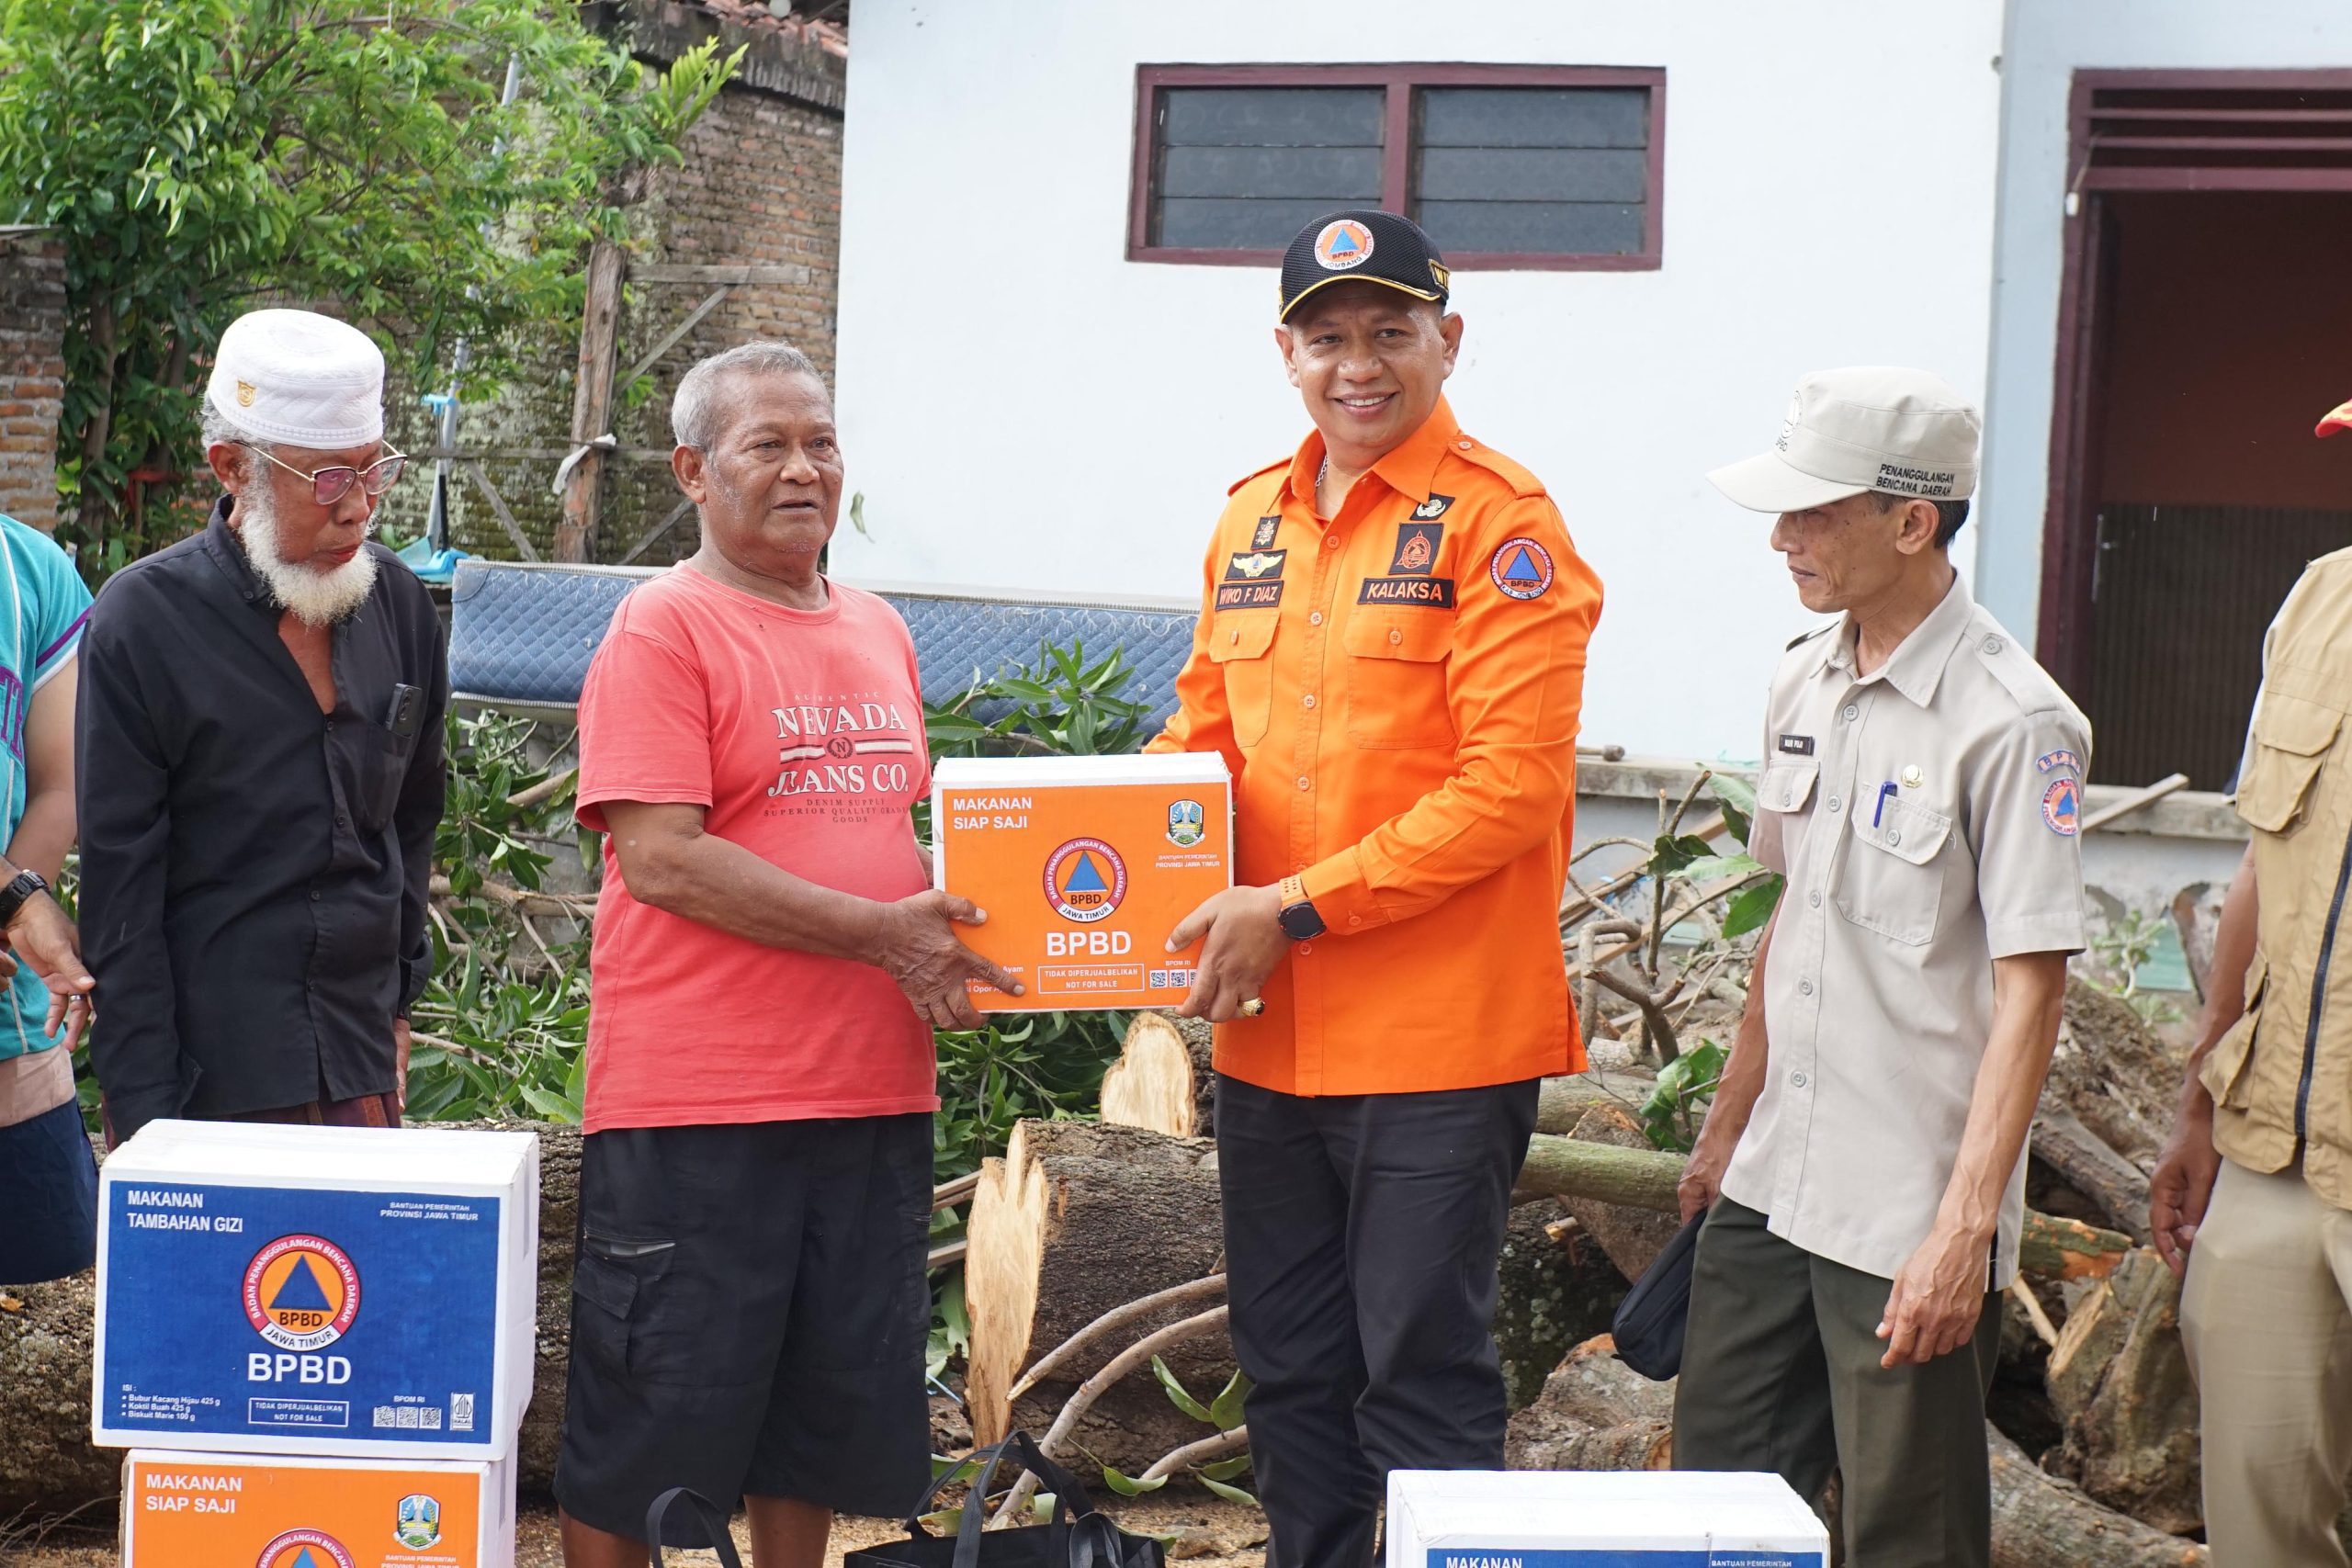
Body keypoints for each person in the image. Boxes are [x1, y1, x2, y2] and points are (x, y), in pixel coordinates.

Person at [1148, 209, 1603, 1568]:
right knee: (1287, 1367)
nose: (1359, 363)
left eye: (1390, 331)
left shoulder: (1503, 526)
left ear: (1445, 342)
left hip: (1437, 1044)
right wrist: (1064, 861)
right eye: (1328, 336)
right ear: (1286, 351)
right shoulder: (1249, 516)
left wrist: (1288, 907)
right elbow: (1199, 752)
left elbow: (1510, 786)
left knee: (1418, 1373)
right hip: (1271, 1039)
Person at [556, 342, 1021, 1568]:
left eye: (820, 441)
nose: (804, 467)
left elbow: (893, 838)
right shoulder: (664, 624)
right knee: (648, 1416)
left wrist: (965, 943)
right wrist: (883, 934)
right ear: (694, 471)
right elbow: (661, 855)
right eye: (769, 444)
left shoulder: (876, 627)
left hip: (868, 1088)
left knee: (815, 1418)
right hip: (703, 1100)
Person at [1670, 368, 2089, 1567]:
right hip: (1769, 1180)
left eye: (1815, 511)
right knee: (1709, 1513)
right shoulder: (1802, 678)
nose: (1782, 537)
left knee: (1909, 1532)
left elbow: (2032, 990)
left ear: (1913, 520)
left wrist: (1964, 1231)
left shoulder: (2015, 721)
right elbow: (1791, 914)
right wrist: (1725, 1122)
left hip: (1901, 1203)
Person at [77, 307, 447, 1145]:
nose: (358, 509)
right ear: (234, 468)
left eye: (372, 471)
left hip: (358, 1058)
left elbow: (415, 818)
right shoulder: (142, 621)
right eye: (327, 480)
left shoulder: (400, 607)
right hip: (210, 1081)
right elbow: (121, 894)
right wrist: (144, 1128)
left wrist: (397, 996)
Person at [2149, 391, 2352, 1567]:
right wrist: (2200, 1101)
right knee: (2258, 1528)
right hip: (2274, 1146)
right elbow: (2261, 865)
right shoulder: (2319, 600)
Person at [0, 509, 99, 1285]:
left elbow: (59, 786)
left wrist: (10, 921)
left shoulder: (29, 572)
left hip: (9, 1018)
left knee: (54, 1244)